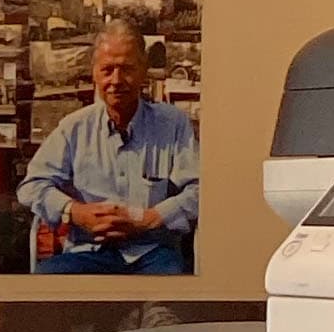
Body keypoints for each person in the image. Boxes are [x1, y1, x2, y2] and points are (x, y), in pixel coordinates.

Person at [16, 22, 199, 274]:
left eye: (126, 69)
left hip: (153, 253)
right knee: (46, 293)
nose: (116, 80)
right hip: (86, 253)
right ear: (94, 74)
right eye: (107, 69)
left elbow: (201, 190)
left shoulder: (173, 124)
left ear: (143, 71)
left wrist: (151, 218)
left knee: (167, 304)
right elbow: (31, 186)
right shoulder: (74, 128)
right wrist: (75, 212)